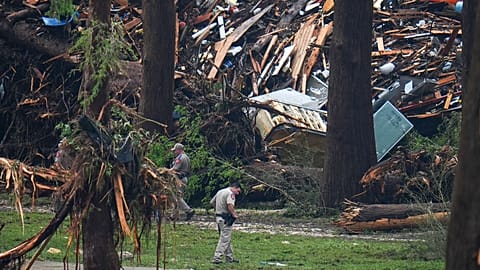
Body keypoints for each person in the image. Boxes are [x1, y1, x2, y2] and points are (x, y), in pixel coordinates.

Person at [210, 181, 242, 264]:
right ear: (234, 187)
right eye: (238, 191)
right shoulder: (230, 194)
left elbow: (212, 202)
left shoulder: (220, 191)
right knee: (224, 239)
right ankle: (217, 257)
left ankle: (229, 257)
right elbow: (230, 205)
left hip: (218, 217)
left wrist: (217, 209)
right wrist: (234, 214)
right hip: (226, 219)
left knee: (226, 238)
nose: (238, 193)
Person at [169, 143, 195, 221]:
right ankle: (174, 215)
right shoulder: (186, 157)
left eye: (175, 150)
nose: (174, 152)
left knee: (177, 197)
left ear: (179, 150)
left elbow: (175, 169)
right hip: (183, 178)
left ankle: (189, 211)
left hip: (179, 179)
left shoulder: (180, 158)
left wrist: (164, 171)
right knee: (177, 197)